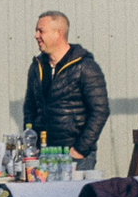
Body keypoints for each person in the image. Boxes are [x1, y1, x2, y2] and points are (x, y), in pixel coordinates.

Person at [23, 12, 110, 169]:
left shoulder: (85, 67)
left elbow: (100, 111)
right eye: (36, 31)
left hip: (75, 157)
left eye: (41, 31)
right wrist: (31, 144)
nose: (36, 36)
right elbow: (30, 108)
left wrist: (80, 150)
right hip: (43, 155)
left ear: (58, 33)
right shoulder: (37, 67)